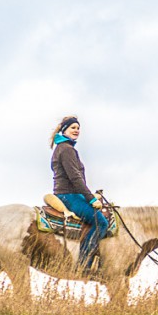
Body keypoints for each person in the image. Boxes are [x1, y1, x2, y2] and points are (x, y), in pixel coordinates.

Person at [50, 115, 108, 273]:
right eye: (73, 128)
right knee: (101, 222)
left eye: (78, 128)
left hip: (68, 193)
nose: (76, 130)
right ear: (64, 130)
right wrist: (90, 199)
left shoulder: (63, 148)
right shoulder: (67, 150)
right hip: (68, 195)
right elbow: (75, 178)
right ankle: (84, 264)